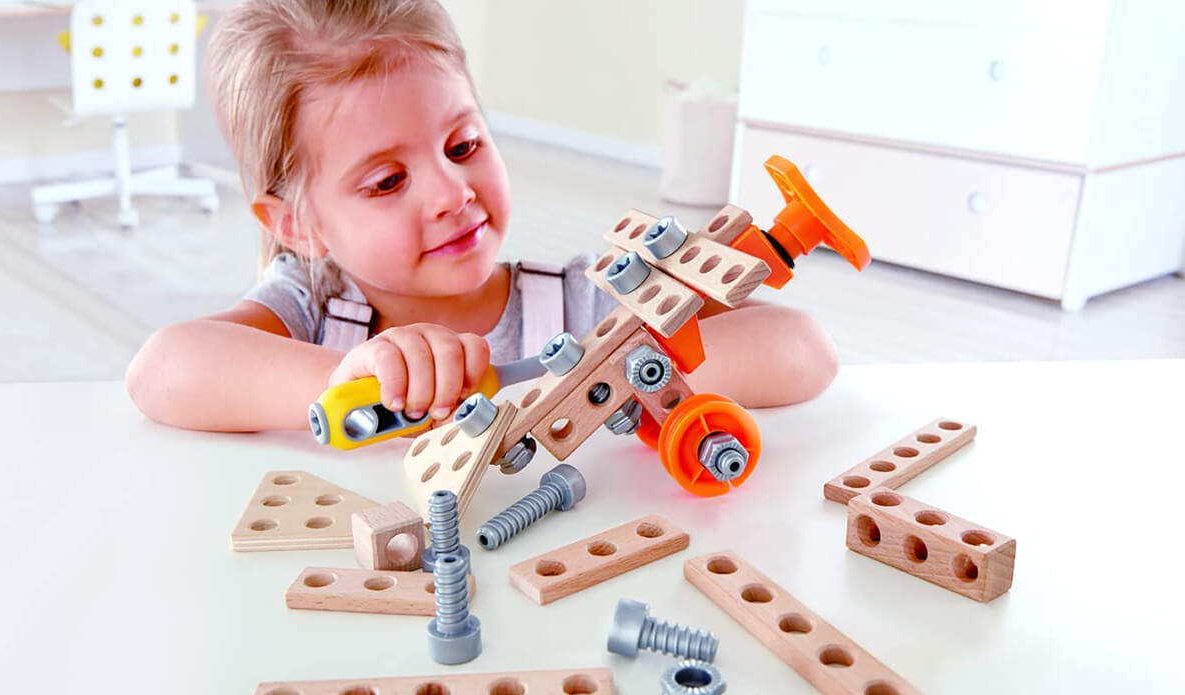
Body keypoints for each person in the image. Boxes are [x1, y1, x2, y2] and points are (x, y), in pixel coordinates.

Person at [125, 0, 838, 433]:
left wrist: (597, 380)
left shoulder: (582, 304)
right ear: (296, 226)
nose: (451, 192)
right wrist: (351, 384)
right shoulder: (311, 308)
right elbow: (162, 370)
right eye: (387, 180)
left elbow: (805, 353)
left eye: (462, 144)